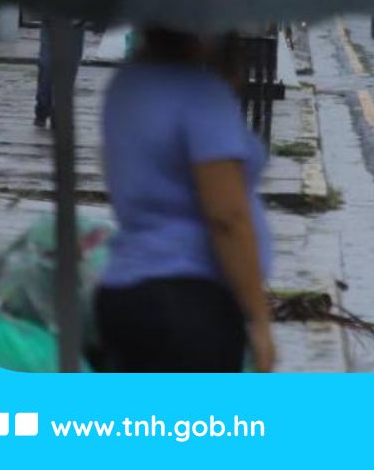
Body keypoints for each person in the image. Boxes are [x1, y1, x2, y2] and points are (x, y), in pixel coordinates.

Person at [92, 28, 275, 373]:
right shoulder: (201, 97)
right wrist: (259, 319)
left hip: (123, 293)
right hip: (189, 304)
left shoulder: (126, 86)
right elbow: (227, 217)